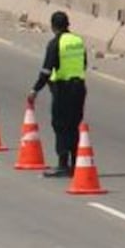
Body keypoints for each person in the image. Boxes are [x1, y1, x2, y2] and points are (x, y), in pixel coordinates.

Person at [28, 11, 87, 178]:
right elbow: (84, 64)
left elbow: (46, 70)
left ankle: (63, 164)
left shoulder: (55, 43)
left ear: (53, 26)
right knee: (74, 125)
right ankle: (76, 163)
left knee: (60, 125)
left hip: (63, 89)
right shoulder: (78, 41)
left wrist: (35, 90)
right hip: (79, 88)